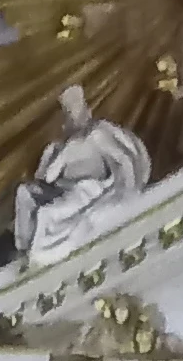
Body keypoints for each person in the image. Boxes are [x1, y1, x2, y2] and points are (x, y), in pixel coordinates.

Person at [14, 83, 150, 263]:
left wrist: (129, 191)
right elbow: (45, 178)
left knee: (45, 215)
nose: (74, 120)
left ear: (87, 113)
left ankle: (37, 258)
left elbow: (123, 159)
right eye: (69, 116)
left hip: (89, 190)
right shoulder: (57, 148)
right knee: (23, 193)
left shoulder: (98, 135)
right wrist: (57, 155)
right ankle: (22, 250)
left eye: (77, 114)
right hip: (63, 191)